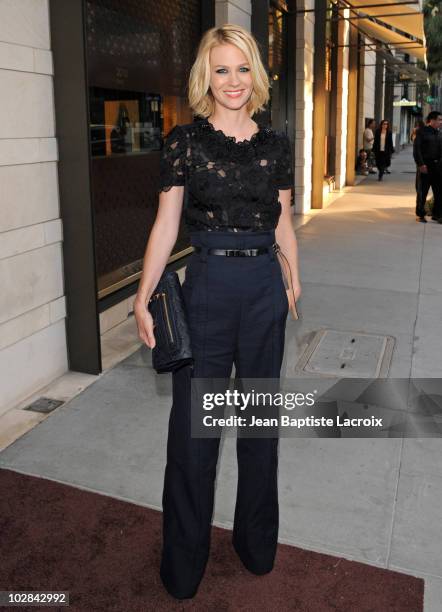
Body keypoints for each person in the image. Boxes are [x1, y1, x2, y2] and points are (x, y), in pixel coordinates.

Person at [133, 24, 301, 600]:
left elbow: (282, 219)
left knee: (258, 426)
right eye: (221, 69)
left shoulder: (276, 144)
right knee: (194, 435)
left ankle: (256, 545)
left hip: (262, 289)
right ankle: (183, 565)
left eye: (242, 68)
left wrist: (291, 273)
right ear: (207, 77)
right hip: (205, 288)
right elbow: (166, 224)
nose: (233, 81)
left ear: (256, 74)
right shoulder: (185, 142)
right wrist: (142, 293)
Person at [413, 110, 442, 223]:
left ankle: (437, 214)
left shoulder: (439, 133)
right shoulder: (422, 132)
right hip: (425, 166)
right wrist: (420, 164)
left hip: (438, 167)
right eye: (439, 119)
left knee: (439, 192)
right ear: (432, 120)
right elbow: (417, 150)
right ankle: (420, 214)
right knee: (422, 191)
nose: (441, 122)